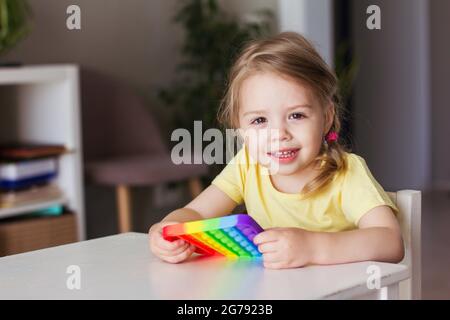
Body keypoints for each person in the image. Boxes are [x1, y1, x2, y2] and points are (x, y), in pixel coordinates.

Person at [148, 32, 404, 269]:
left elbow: (390, 241)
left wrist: (312, 248)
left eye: (296, 115)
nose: (279, 134)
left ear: (326, 118)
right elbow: (197, 213)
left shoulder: (346, 173)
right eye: (260, 121)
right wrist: (168, 229)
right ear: (239, 129)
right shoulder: (247, 165)